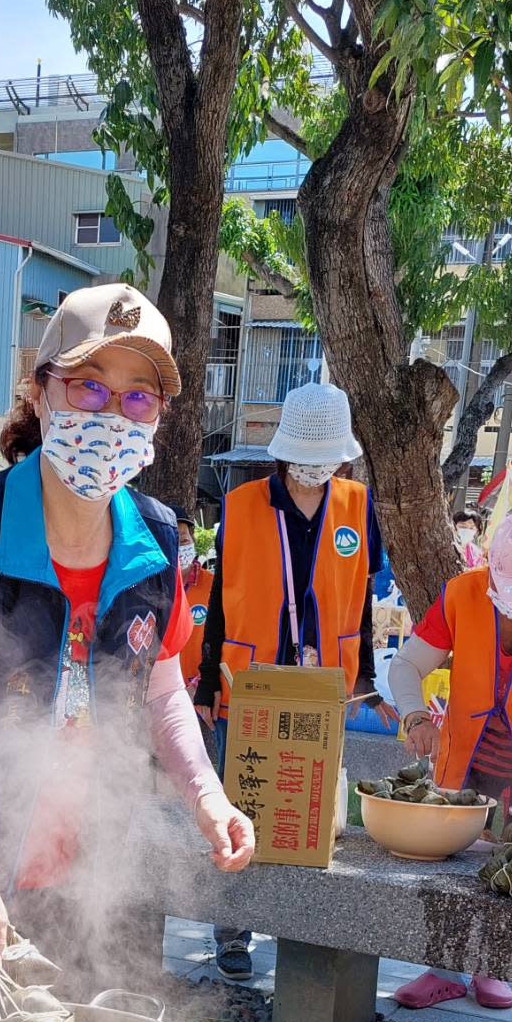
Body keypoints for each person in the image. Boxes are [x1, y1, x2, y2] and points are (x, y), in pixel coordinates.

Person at [0, 283, 256, 984]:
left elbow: (164, 690)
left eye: (139, 395)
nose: (114, 413)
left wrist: (207, 794)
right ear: (41, 393)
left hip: (83, 861)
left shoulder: (156, 545)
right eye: (89, 387)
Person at [195, 381, 392, 982]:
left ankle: (302, 933)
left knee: (306, 811)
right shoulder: (243, 503)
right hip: (248, 680)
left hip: (321, 684)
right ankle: (233, 933)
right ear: (282, 452)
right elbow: (221, 602)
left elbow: (360, 600)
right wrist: (205, 683)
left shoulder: (358, 505)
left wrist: (370, 680)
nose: (314, 469)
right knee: (242, 806)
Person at [389, 509, 512, 1009]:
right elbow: (407, 665)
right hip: (466, 759)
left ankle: (496, 968)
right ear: (491, 567)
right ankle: (444, 969)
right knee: (456, 865)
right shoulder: (460, 594)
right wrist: (414, 718)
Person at [175, 512, 213, 697]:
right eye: (170, 540)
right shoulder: (151, 586)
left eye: (183, 540)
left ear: (192, 540)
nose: (177, 547)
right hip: (158, 696)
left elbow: (225, 638)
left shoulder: (213, 585)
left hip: (200, 693)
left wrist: (199, 685)